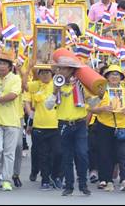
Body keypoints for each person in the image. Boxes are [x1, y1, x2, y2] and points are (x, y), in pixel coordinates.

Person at [51, 50, 91, 196]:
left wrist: (98, 94)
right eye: (60, 68)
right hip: (63, 124)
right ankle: (68, 186)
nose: (61, 71)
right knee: (66, 156)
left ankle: (83, 184)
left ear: (71, 70)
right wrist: (55, 90)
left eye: (64, 68)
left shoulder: (80, 84)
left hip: (79, 123)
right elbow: (49, 105)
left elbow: (92, 101)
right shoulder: (56, 83)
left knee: (82, 154)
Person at [93, 65, 125, 192]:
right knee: (106, 154)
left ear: (121, 77)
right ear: (106, 77)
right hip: (105, 125)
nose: (114, 76)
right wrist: (102, 109)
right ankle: (107, 180)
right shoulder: (101, 91)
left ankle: (124, 180)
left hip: (122, 126)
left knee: (123, 154)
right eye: (111, 74)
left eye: (117, 74)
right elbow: (90, 107)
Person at [0, 51, 22, 192]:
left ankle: (6, 180)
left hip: (12, 121)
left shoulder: (15, 79)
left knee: (9, 153)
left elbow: (13, 95)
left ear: (9, 66)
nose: (1, 66)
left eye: (4, 64)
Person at [23, 67, 62, 190]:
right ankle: (45, 180)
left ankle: (55, 176)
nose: (45, 75)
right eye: (42, 73)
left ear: (52, 74)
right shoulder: (36, 85)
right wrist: (24, 72)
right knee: (43, 155)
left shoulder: (57, 84)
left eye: (47, 72)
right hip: (39, 126)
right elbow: (24, 86)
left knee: (58, 153)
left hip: (56, 126)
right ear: (38, 75)